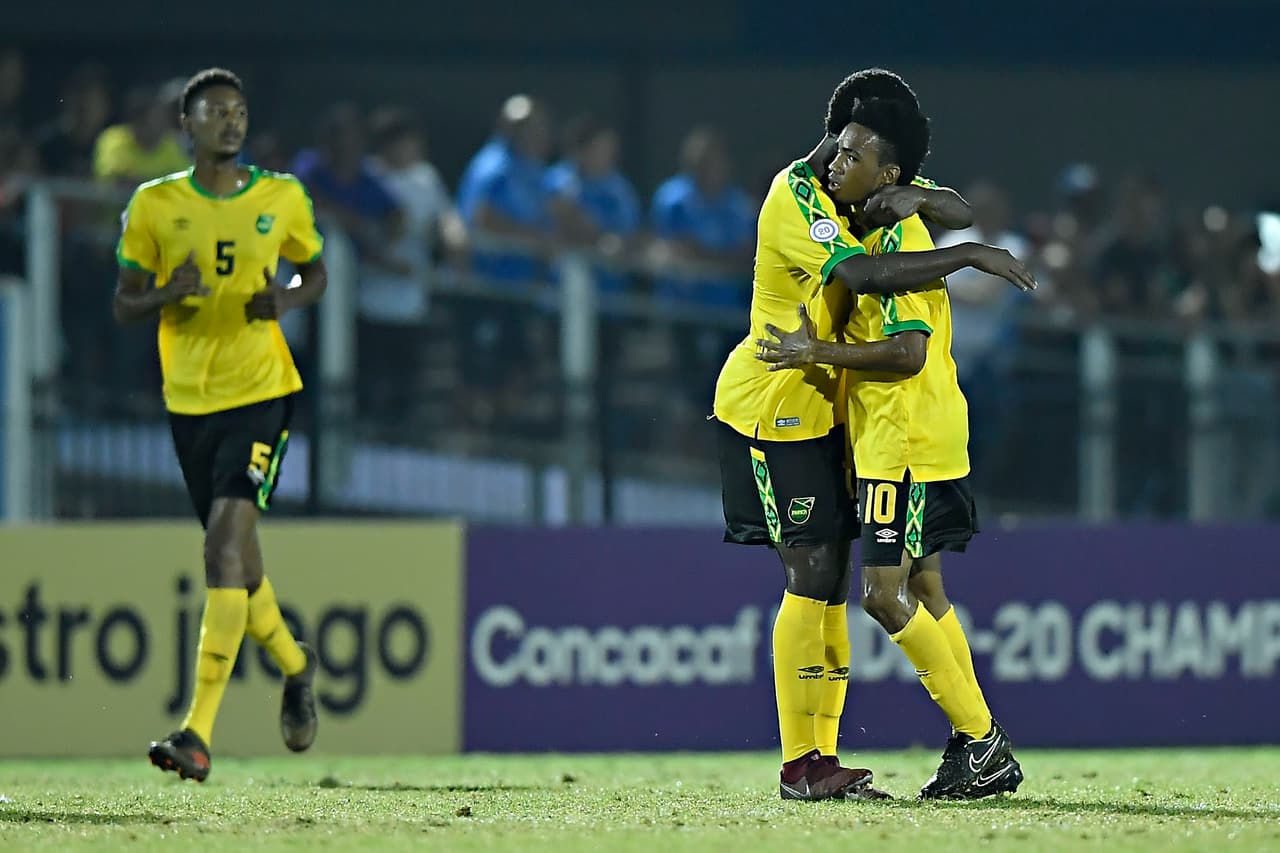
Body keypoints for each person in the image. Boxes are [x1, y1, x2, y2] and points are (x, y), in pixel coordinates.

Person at [711, 70, 1034, 802]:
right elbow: (862, 274)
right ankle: (809, 762)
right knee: (822, 577)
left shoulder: (883, 206)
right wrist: (972, 251)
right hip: (772, 404)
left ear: (886, 172)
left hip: (849, 419)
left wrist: (931, 203)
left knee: (845, 579)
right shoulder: (799, 195)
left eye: (852, 153)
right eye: (837, 145)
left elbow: (945, 210)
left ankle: (945, 745)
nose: (835, 160)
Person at [113, 68, 325, 782]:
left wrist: (287, 302)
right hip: (188, 401)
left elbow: (316, 270)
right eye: (216, 112)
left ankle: (196, 732)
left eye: (239, 111)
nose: (231, 122)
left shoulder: (281, 196)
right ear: (188, 122)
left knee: (221, 548)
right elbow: (123, 301)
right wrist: (164, 294)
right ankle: (296, 664)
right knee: (239, 564)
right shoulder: (155, 205)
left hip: (262, 392)